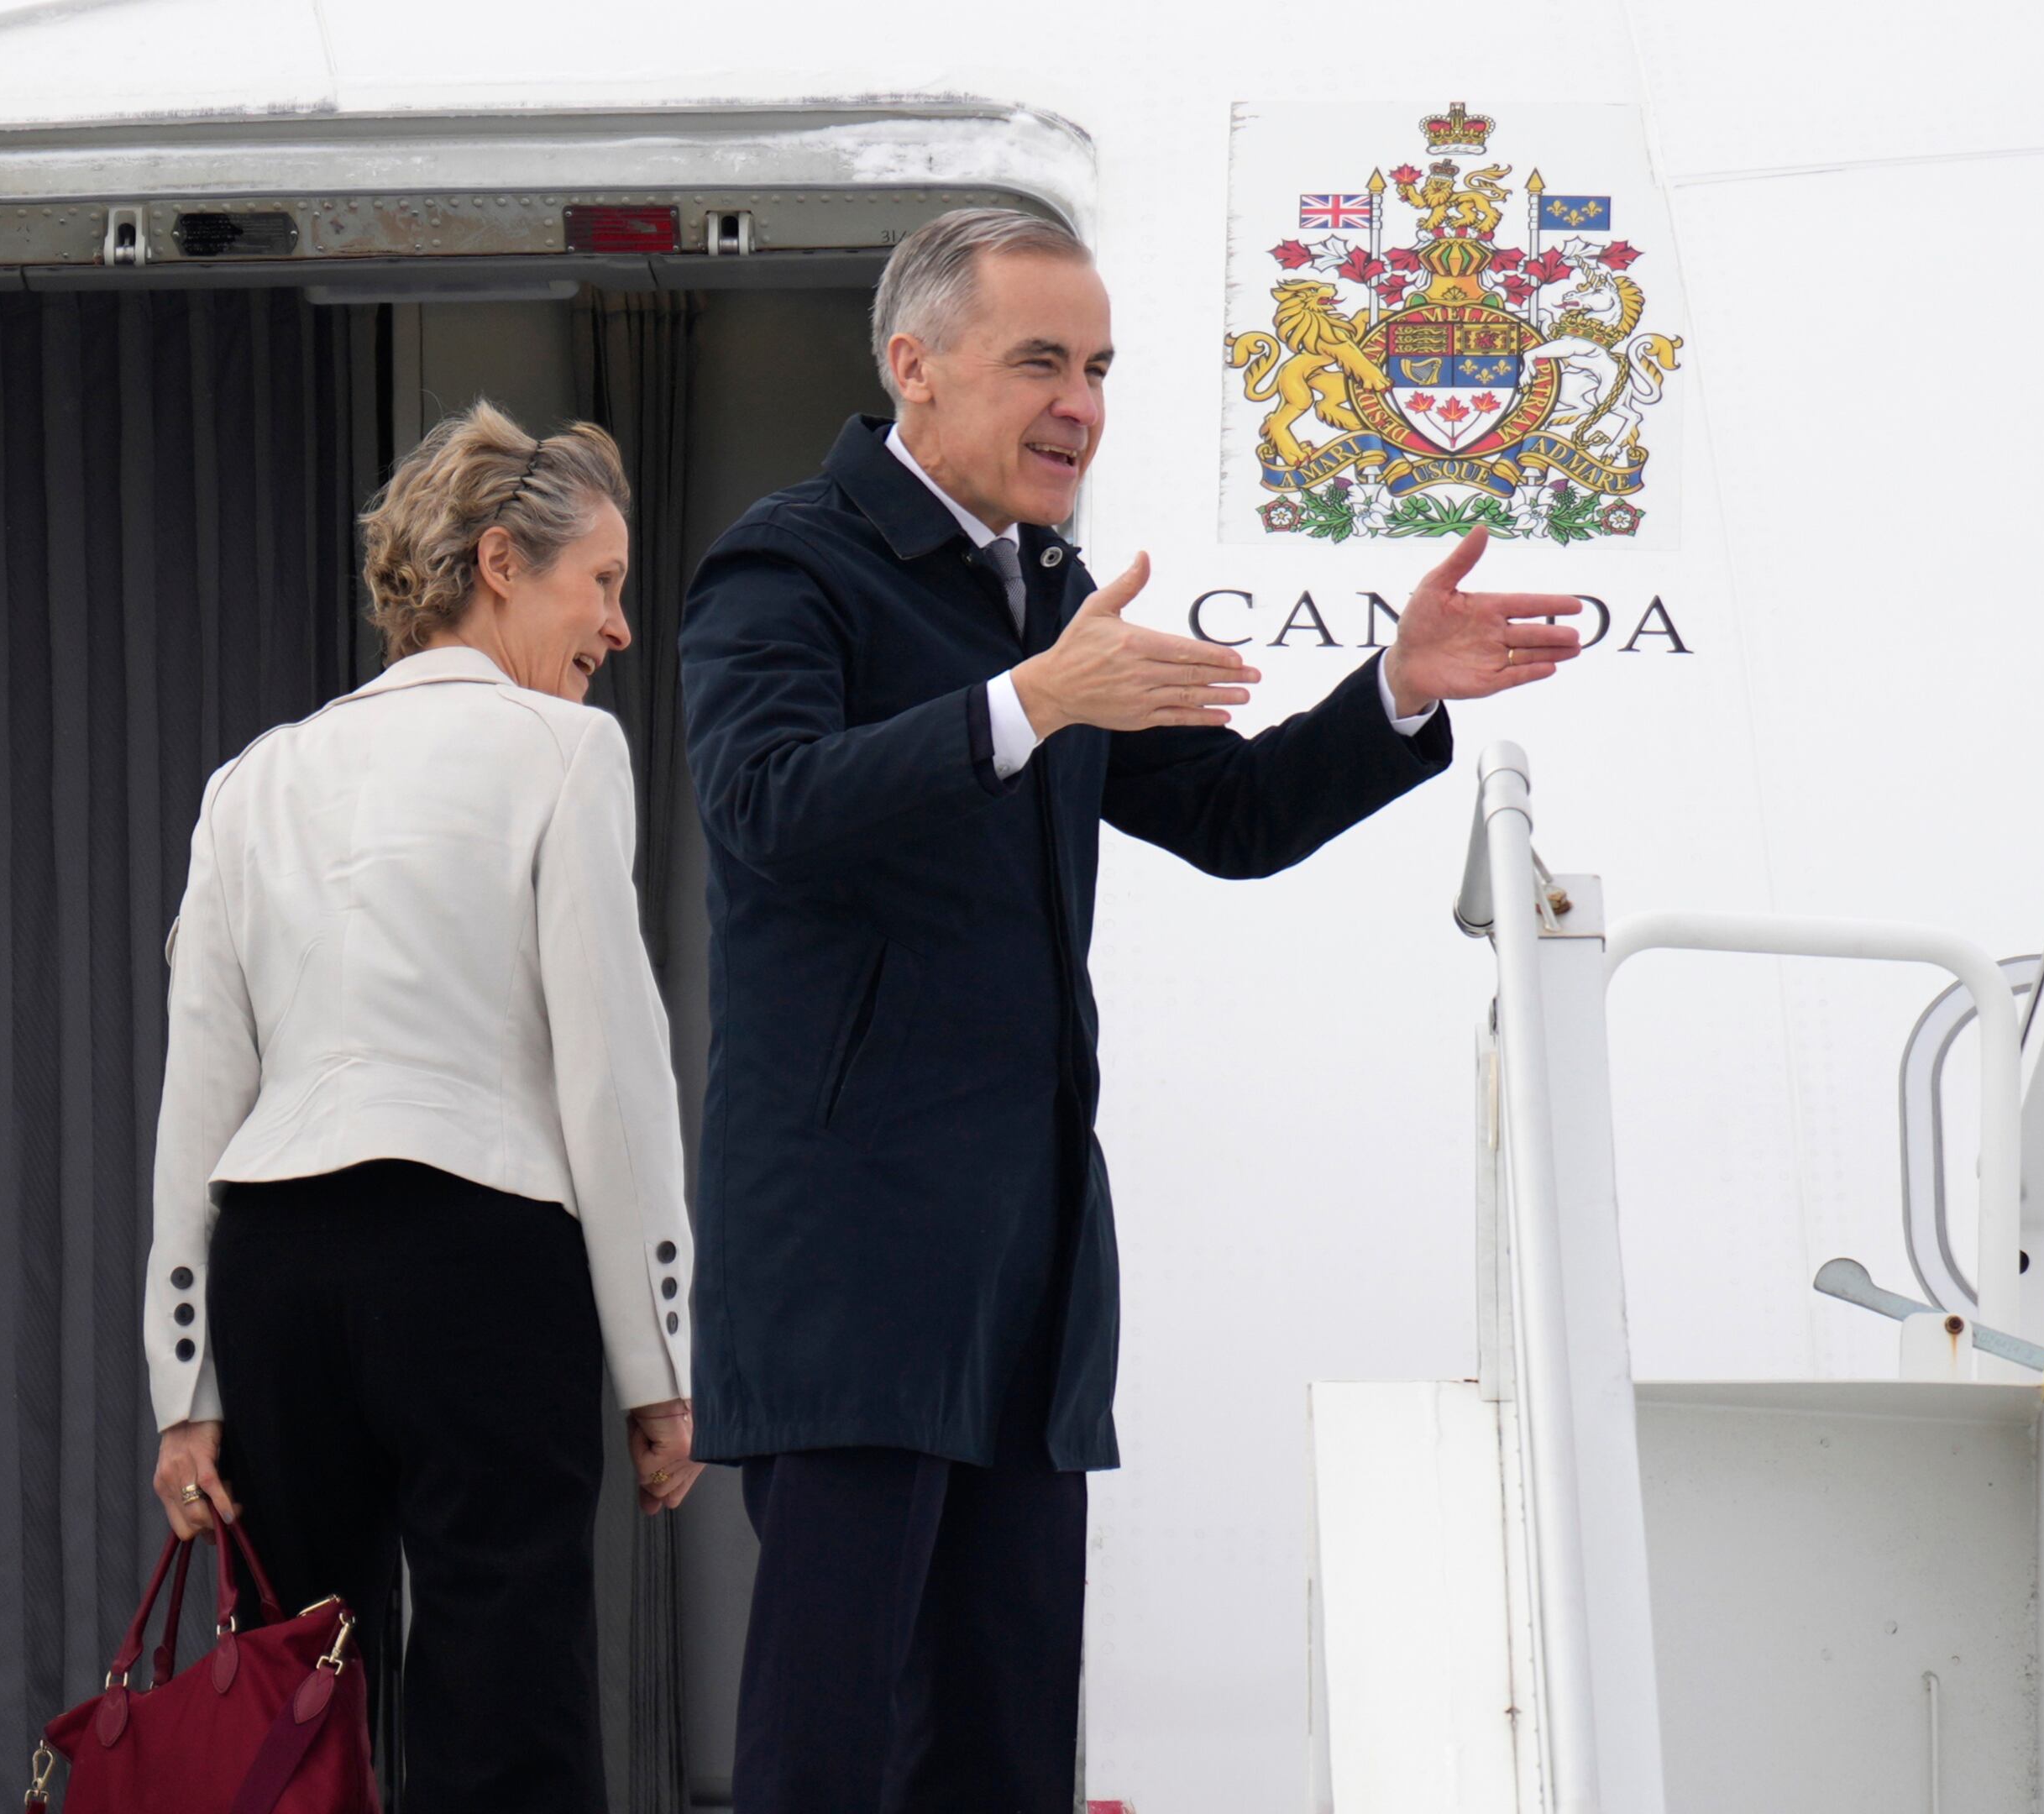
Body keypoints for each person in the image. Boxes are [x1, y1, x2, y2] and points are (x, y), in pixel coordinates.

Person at [679, 207, 1580, 1811]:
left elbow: (1231, 818)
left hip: (1028, 1279)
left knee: (1007, 1752)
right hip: (856, 1268)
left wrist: (1397, 692)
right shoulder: (786, 564)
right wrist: (1025, 703)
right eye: (1041, 361)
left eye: (1096, 368)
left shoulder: (1051, 596)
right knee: (828, 1750)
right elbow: (765, 803)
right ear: (916, 369)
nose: (1080, 404)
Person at [143, 403, 703, 1812]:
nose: (619, 629)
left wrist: (184, 1386)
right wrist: (662, 1368)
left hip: (276, 1269)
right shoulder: (566, 755)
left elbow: (198, 1091)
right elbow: (614, 1076)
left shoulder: (250, 780)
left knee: (295, 1698)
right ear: (503, 562)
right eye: (606, 584)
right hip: (477, 1257)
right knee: (503, 1690)